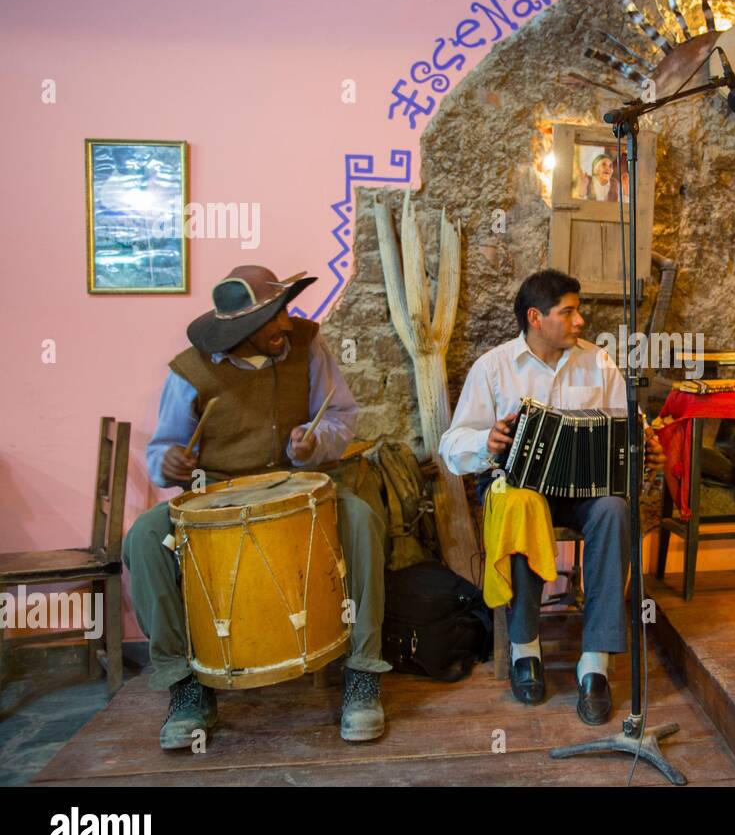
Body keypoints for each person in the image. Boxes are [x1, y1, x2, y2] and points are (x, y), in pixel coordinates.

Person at [123, 265, 389, 749]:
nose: (285, 325)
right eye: (271, 319)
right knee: (143, 538)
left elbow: (340, 415)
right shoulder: (190, 370)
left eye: (283, 311)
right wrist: (172, 464)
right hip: (216, 496)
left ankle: (363, 674)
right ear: (238, 330)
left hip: (300, 484)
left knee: (362, 520)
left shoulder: (308, 347)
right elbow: (162, 452)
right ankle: (185, 686)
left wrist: (315, 443)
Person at [439, 269, 663, 725]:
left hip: (583, 491)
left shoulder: (599, 363)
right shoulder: (494, 367)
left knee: (615, 510)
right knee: (524, 506)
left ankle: (595, 662)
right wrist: (489, 442)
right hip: (519, 487)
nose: (580, 320)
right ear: (536, 318)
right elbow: (451, 446)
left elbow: (627, 430)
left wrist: (646, 449)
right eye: (569, 311)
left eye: (579, 310)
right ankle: (525, 648)